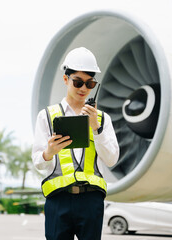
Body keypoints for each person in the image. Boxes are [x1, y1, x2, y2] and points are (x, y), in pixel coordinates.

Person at [32, 47, 119, 240]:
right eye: (78, 82)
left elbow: (112, 159)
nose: (83, 89)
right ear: (66, 79)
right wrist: (49, 152)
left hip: (91, 200)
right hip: (58, 200)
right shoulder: (47, 116)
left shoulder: (103, 119)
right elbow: (38, 162)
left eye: (90, 84)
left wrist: (97, 128)